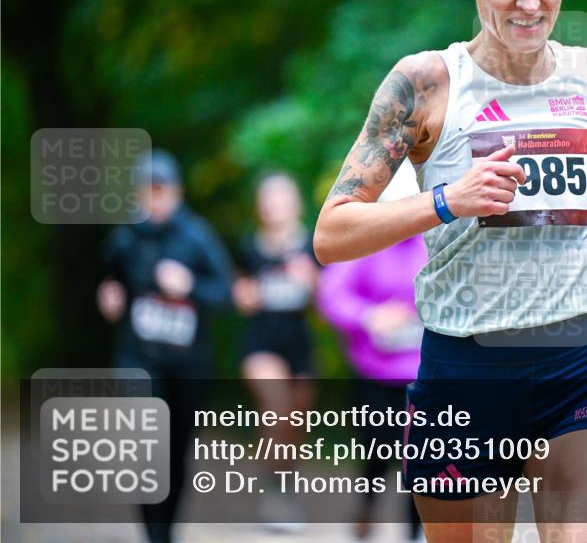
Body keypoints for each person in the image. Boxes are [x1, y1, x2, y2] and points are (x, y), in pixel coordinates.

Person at [313, 0, 587, 540]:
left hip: (579, 364)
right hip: (465, 372)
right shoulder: (425, 85)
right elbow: (331, 234)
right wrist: (446, 200)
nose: (530, 2)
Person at [96, 149, 233, 543]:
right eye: (147, 192)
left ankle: (164, 533)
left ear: (177, 193)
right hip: (139, 360)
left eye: (162, 191)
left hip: (188, 366)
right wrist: (110, 296)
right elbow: (111, 279)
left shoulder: (197, 236)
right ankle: (152, 535)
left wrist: (189, 285)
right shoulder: (125, 237)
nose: (154, 200)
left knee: (173, 455)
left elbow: (226, 293)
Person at [316, 159, 426, 541]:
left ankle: (415, 533)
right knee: (376, 459)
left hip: (424, 377)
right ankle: (365, 508)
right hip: (374, 375)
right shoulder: (367, 241)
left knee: (422, 462)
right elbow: (331, 295)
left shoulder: (439, 240)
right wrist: (370, 316)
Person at [231, 171, 318, 532]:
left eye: (281, 198)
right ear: (259, 207)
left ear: (295, 203)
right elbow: (239, 296)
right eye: (267, 199)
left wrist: (311, 281)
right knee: (276, 408)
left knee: (294, 424)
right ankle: (273, 493)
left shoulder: (312, 244)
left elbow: (329, 300)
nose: (274, 206)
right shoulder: (248, 247)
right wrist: (244, 294)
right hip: (261, 342)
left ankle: (283, 488)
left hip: (299, 344)